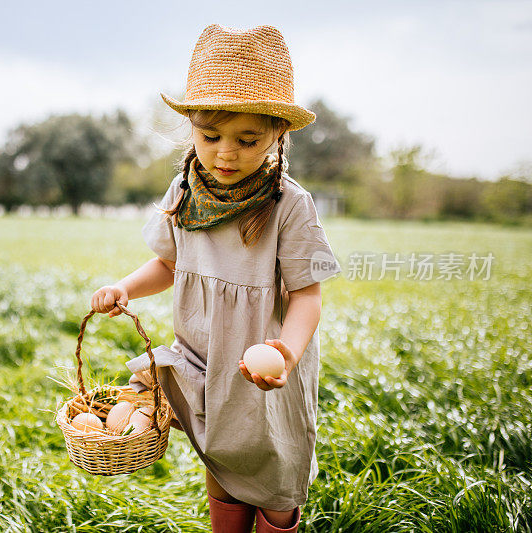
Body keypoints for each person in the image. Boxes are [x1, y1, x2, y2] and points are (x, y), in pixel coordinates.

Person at [90, 24, 341, 533]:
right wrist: (124, 288)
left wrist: (286, 355)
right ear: (194, 130)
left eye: (248, 140)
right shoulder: (184, 190)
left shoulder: (290, 206)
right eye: (211, 136)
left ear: (277, 134)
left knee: (273, 474)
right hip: (204, 357)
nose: (226, 153)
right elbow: (167, 264)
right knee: (223, 466)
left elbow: (307, 299)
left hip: (267, 370)